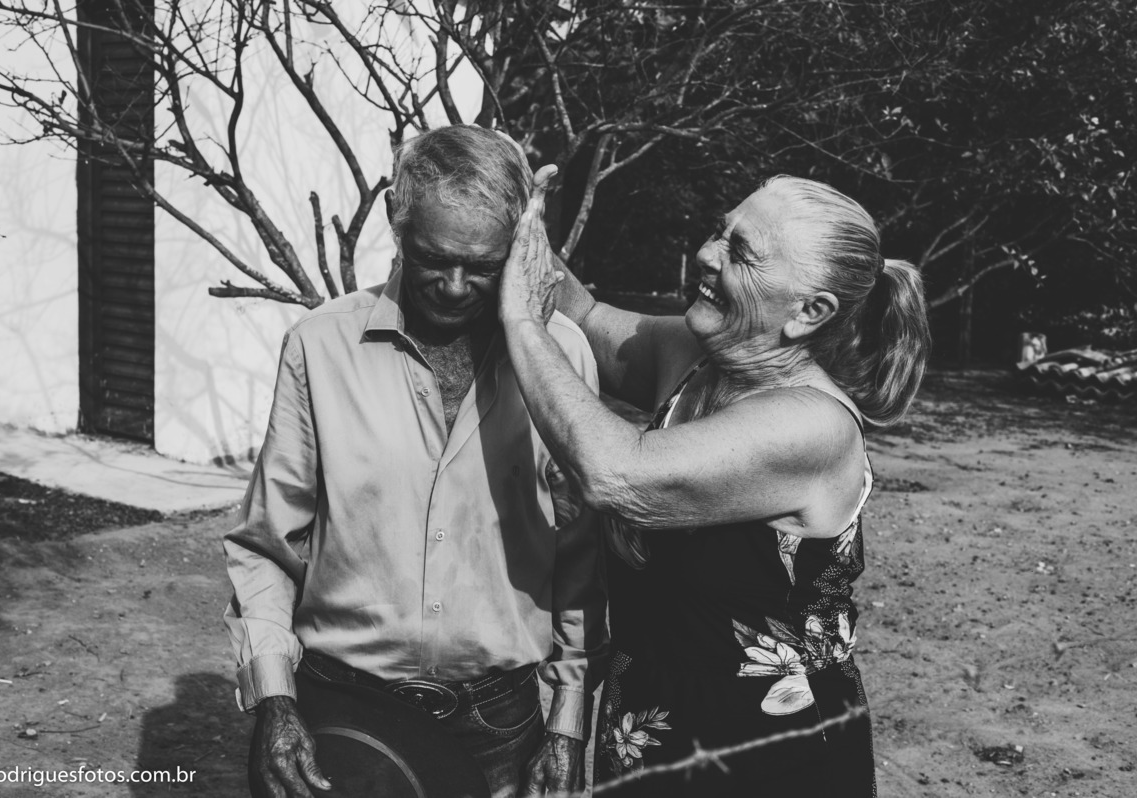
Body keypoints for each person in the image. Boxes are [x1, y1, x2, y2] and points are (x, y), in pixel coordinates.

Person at [497, 168, 931, 796]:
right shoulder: (693, 358)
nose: (706, 254)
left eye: (740, 253)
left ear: (808, 312)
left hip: (765, 756)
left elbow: (615, 472)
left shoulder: (812, 426)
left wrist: (521, 323)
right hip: (650, 729)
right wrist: (516, 214)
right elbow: (585, 311)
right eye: (718, 232)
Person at [223, 126, 608, 798]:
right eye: (432, 259)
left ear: (518, 246)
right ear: (398, 228)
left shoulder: (563, 357)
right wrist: (275, 702)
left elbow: (580, 557)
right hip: (339, 710)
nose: (456, 286)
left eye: (483, 266)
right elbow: (265, 546)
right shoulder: (319, 347)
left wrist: (567, 725)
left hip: (499, 728)